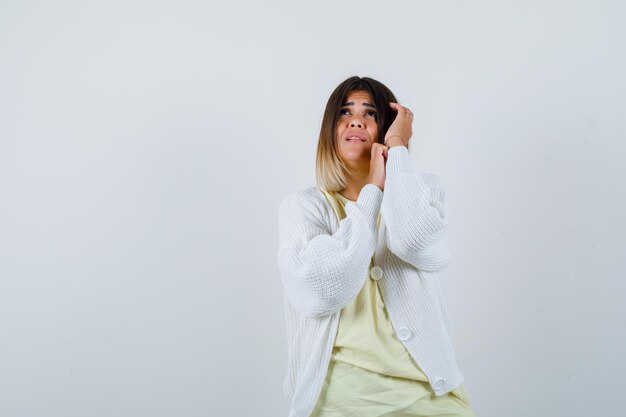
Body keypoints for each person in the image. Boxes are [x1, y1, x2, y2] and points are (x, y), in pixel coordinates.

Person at [277, 76, 477, 417]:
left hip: (429, 395)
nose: (356, 120)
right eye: (345, 112)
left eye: (370, 113)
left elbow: (414, 240)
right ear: (330, 129)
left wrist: (397, 147)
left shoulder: (422, 190)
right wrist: (371, 192)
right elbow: (324, 289)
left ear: (384, 128)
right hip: (341, 399)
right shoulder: (303, 207)